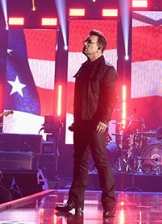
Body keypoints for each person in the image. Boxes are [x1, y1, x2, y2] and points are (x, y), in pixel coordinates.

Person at [56, 29, 118, 218]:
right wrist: (75, 120)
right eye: (85, 41)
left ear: (99, 48)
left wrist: (104, 120)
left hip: (96, 123)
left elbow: (110, 98)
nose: (85, 44)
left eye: (89, 42)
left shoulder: (107, 69)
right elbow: (79, 98)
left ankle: (109, 204)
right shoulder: (83, 68)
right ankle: (74, 203)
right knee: (79, 163)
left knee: (100, 161)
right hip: (81, 123)